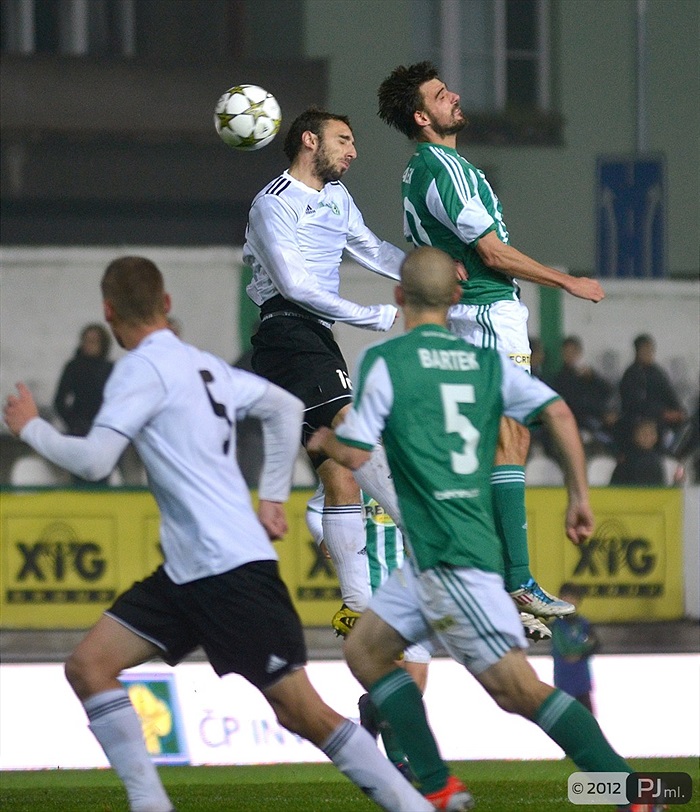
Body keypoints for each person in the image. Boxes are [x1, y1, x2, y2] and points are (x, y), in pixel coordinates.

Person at [2, 256, 436, 812]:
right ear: (166, 304)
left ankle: (417, 806)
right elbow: (281, 405)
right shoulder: (201, 365)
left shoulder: (138, 371)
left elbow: (93, 460)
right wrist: (273, 496)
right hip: (188, 571)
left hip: (231, 573)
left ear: (108, 312)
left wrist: (30, 427)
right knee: (89, 666)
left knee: (304, 714)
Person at [309, 246, 649, 812]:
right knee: (366, 652)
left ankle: (628, 792)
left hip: (454, 563)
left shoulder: (385, 362)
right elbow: (560, 414)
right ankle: (439, 786)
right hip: (432, 560)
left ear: (399, 296)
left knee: (518, 691)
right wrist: (578, 497)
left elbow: (353, 449)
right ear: (457, 299)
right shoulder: (486, 365)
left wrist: (324, 441)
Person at [376, 61, 608, 621]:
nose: (454, 96)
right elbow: (492, 254)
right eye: (439, 94)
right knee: (511, 441)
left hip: (476, 315)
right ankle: (515, 584)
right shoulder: (444, 168)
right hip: (485, 315)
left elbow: (437, 249)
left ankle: (470, 576)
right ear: (421, 116)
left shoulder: (422, 171)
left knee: (490, 448)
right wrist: (566, 280)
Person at [243, 106, 409, 628]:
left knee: (340, 476)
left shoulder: (336, 196)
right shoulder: (272, 205)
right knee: (350, 431)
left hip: (313, 336)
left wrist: (426, 274)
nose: (354, 151)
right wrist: (373, 315)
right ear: (310, 141)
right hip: (287, 331)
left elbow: (371, 249)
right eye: (344, 139)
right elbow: (295, 287)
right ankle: (427, 526)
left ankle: (358, 606)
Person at [306, 483, 431, 781]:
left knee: (415, 682)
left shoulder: (412, 466)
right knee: (396, 673)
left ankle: (372, 708)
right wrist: (323, 535)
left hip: (415, 586)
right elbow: (315, 508)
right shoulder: (353, 470)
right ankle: (397, 761)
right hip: (372, 587)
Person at [617, 333, 688, 455]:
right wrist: (663, 413)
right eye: (645, 350)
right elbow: (634, 404)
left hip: (664, 416)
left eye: (650, 350)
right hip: (641, 418)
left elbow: (669, 394)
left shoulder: (657, 372)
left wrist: (678, 411)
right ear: (637, 352)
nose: (649, 354)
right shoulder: (631, 374)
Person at [547, 335, 618, 451]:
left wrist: (593, 378)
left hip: (595, 420)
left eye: (573, 352)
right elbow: (574, 403)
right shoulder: (560, 379)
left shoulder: (588, 376)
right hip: (576, 421)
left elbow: (607, 392)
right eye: (567, 352)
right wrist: (600, 414)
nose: (570, 356)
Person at [551, 582, 599, 714]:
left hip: (582, 683)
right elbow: (565, 651)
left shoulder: (584, 623)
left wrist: (581, 650)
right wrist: (584, 646)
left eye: (572, 598)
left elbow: (596, 645)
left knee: (588, 720)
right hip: (564, 684)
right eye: (565, 598)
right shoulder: (558, 625)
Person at [609, 417, 669, 486]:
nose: (648, 437)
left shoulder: (658, 459)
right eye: (643, 433)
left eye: (651, 433)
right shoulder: (627, 461)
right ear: (635, 436)